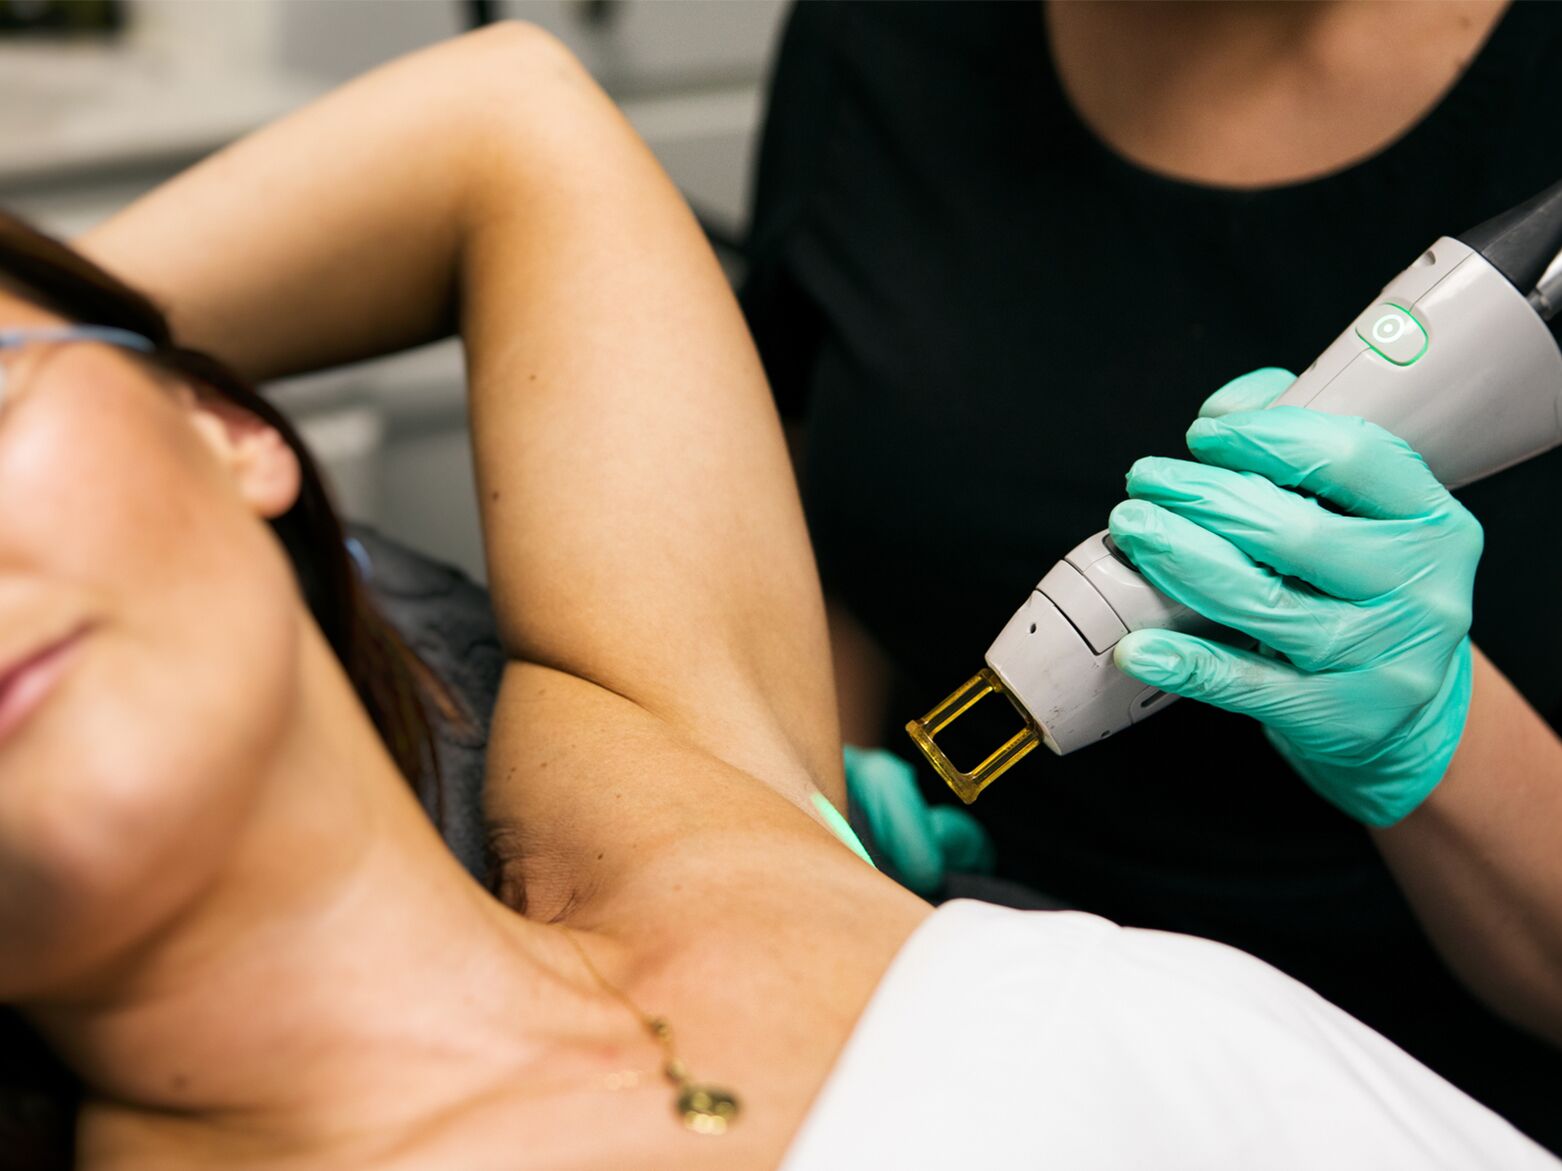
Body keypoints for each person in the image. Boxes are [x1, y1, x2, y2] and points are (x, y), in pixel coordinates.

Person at [0, 23, 1555, 1171]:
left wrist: (1439, 731)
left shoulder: (675, 794)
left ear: (228, 425)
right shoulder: (893, 58)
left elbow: (504, 121)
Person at [742, 0, 1562, 1144]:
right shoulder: (878, 39)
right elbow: (840, 514)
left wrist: (1433, 734)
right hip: (968, 1029)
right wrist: (795, 794)